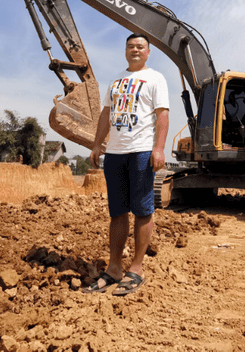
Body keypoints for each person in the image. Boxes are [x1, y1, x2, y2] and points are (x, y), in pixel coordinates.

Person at [83, 33, 169, 296]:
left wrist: (159, 147)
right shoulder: (116, 80)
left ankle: (137, 268)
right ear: (125, 50)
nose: (135, 50)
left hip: (141, 151)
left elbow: (162, 114)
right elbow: (106, 114)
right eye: (131, 46)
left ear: (148, 52)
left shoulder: (155, 78)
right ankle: (114, 268)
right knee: (117, 212)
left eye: (140, 46)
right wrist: (97, 144)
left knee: (143, 211)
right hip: (116, 153)